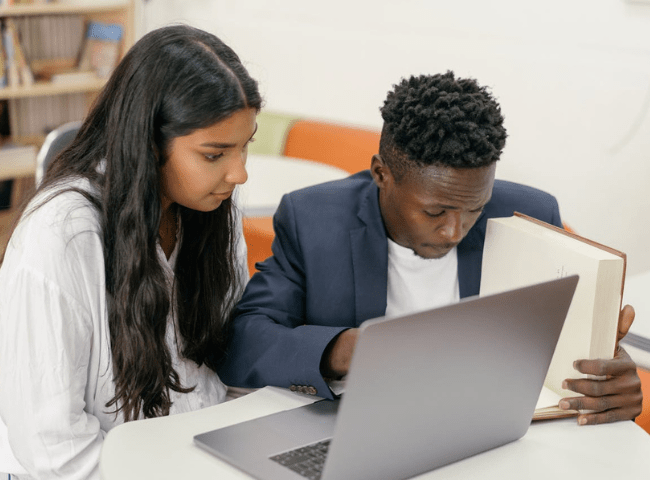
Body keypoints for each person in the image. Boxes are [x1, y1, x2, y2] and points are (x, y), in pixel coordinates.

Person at [219, 71, 642, 426]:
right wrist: (349, 349)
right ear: (381, 174)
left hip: (492, 434)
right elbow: (245, 343)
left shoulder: (527, 215)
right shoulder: (314, 218)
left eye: (474, 207)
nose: (453, 231)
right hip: (360, 431)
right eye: (435, 211)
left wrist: (605, 374)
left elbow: (559, 348)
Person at [0, 25, 261, 479]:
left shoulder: (212, 212)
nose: (239, 174)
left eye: (245, 147)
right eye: (215, 154)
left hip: (196, 462)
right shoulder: (60, 237)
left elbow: (227, 361)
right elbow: (52, 448)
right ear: (148, 143)